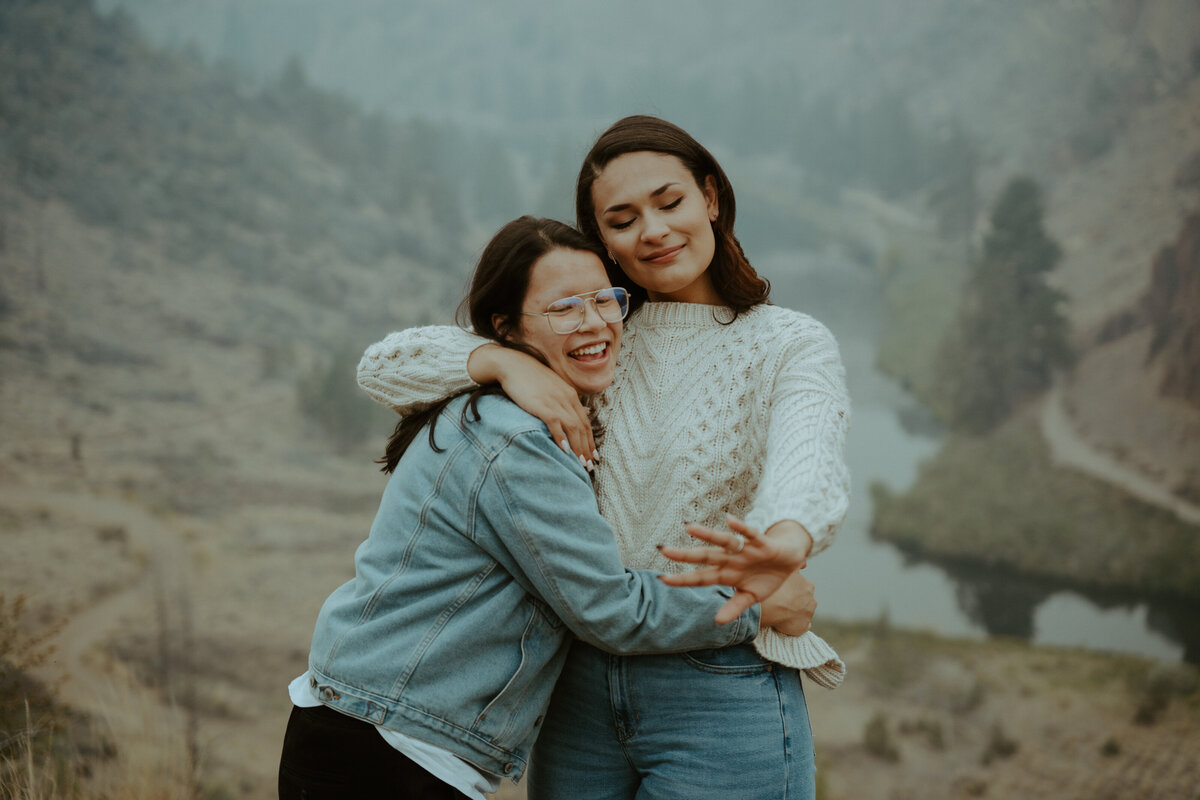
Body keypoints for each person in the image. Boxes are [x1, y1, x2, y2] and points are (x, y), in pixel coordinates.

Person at [357, 116, 851, 799]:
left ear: (711, 197)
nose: (652, 230)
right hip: (577, 688)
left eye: (669, 202)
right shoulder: (596, 331)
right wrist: (501, 361)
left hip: (719, 682)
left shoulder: (788, 343)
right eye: (622, 219)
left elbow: (809, 457)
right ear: (604, 242)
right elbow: (383, 368)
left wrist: (783, 540)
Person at [278, 216, 814, 800]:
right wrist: (756, 605)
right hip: (390, 750)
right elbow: (609, 606)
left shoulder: (503, 407)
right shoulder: (517, 438)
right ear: (505, 328)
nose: (594, 322)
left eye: (605, 299)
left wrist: (507, 362)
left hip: (367, 725)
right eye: (563, 309)